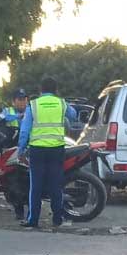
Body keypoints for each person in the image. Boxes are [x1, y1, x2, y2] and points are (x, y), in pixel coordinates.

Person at [17, 77, 78, 228]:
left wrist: (21, 149)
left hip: (37, 150)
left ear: (41, 90)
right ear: (56, 90)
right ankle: (57, 219)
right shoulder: (61, 103)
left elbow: (24, 130)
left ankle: (33, 220)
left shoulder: (34, 105)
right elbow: (73, 115)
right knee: (55, 186)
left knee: (36, 186)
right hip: (56, 150)